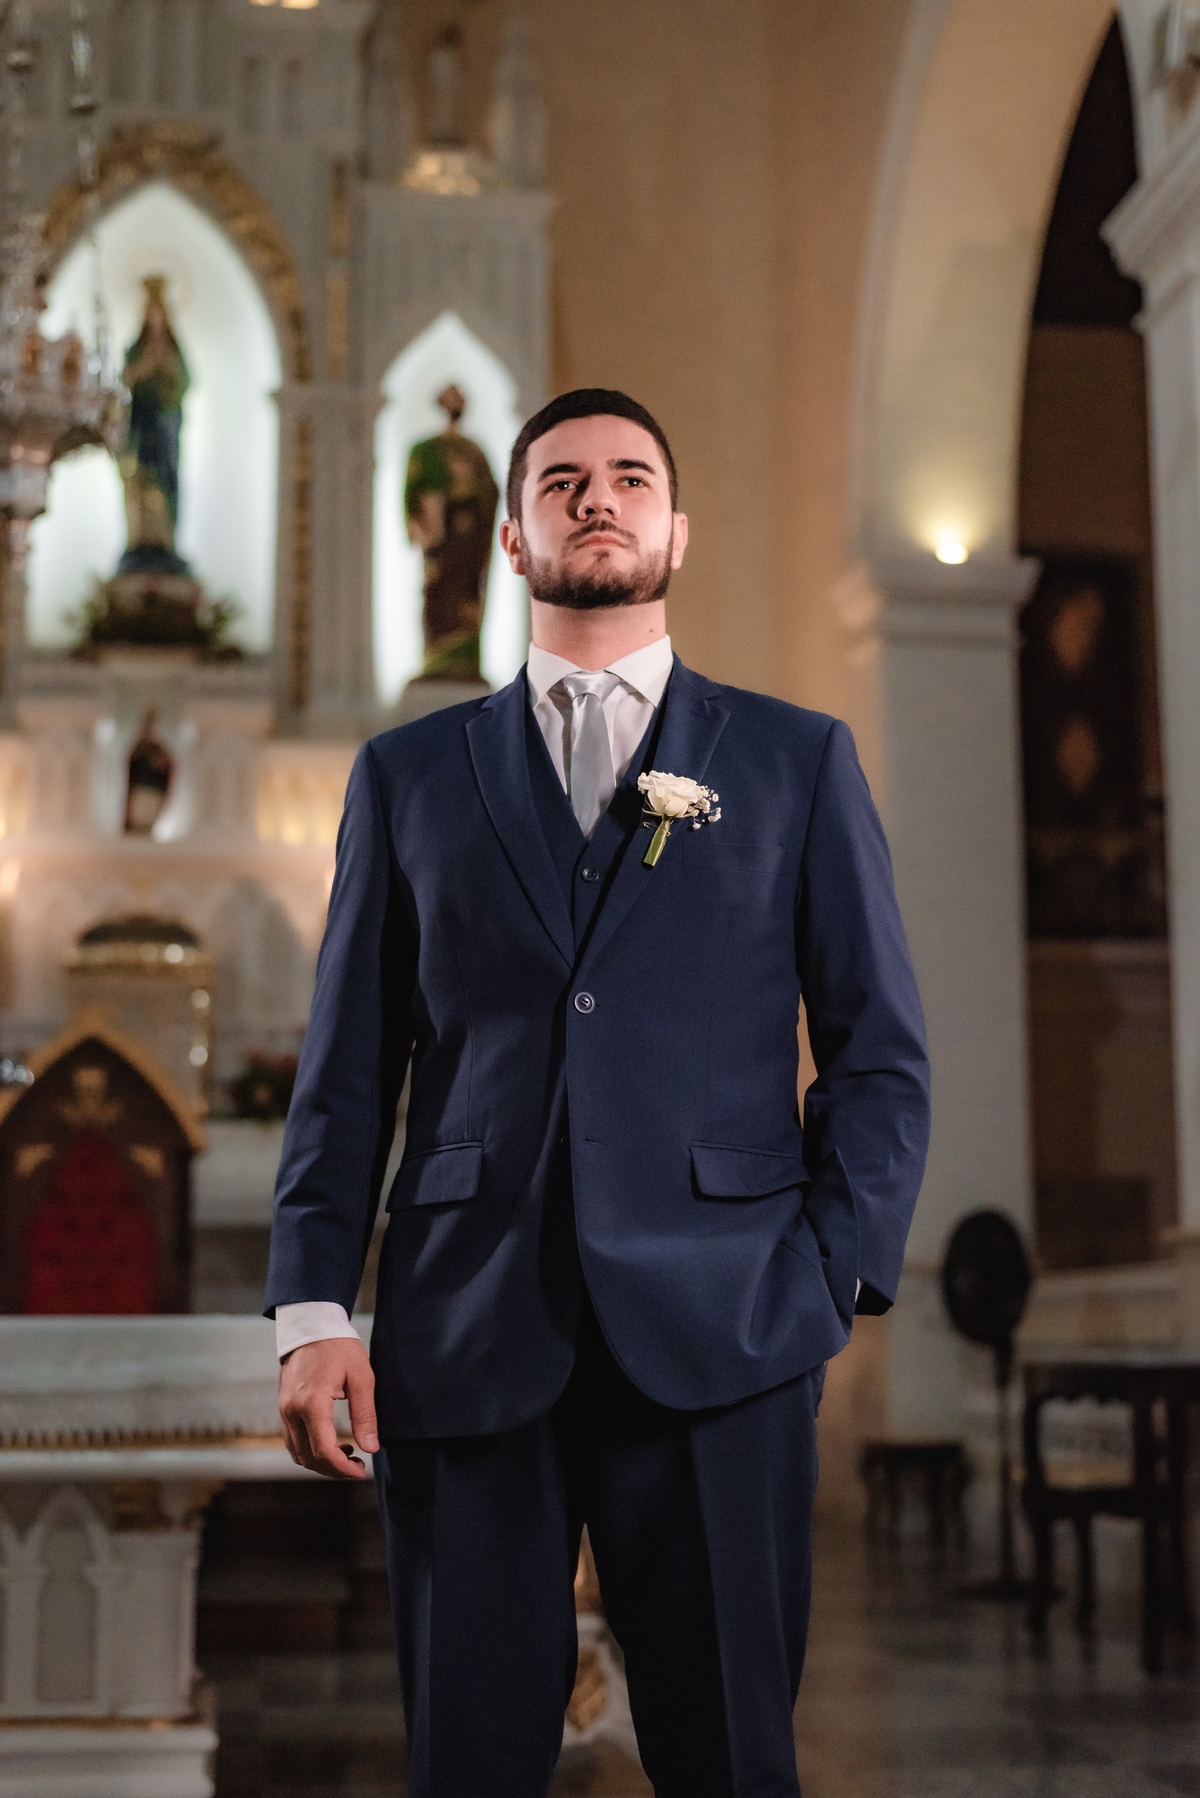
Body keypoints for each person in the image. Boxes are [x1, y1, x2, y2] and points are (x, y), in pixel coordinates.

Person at [265, 388, 930, 1797]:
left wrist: (832, 1273)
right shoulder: (406, 777)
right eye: (561, 479)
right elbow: (346, 1070)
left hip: (731, 1328)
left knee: (732, 1760)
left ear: (677, 531)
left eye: (631, 477)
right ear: (511, 537)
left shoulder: (796, 759)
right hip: (466, 1324)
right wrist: (313, 1311)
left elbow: (876, 1048)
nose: (597, 497)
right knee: (468, 1766)